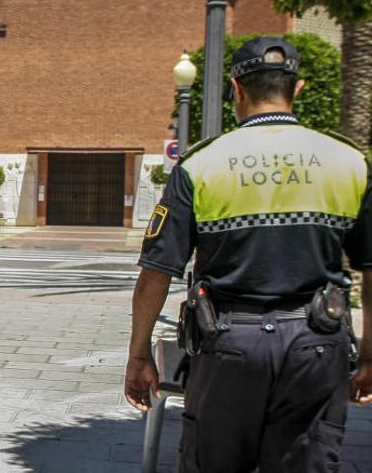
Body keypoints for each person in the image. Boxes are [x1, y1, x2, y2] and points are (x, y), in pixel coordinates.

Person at [124, 37, 372, 472]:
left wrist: (139, 355)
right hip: (316, 345)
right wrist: (370, 356)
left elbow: (156, 273)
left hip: (228, 346)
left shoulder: (201, 165)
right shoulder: (348, 162)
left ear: (236, 89)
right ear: (298, 89)